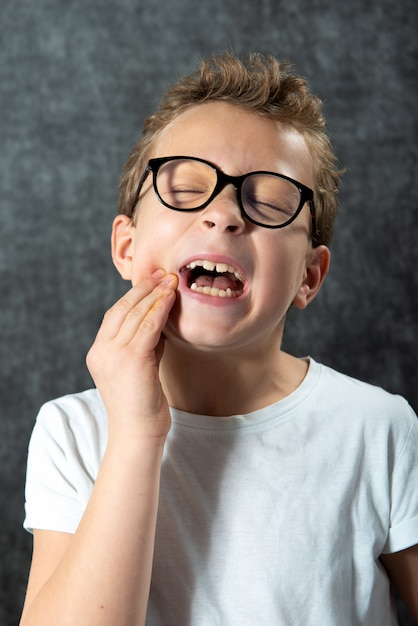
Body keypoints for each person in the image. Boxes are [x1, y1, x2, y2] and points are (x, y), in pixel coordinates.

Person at [20, 52, 418, 626]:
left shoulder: (378, 428)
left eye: (272, 201)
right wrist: (135, 433)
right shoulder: (72, 434)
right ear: (126, 248)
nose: (225, 215)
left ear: (309, 276)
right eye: (185, 189)